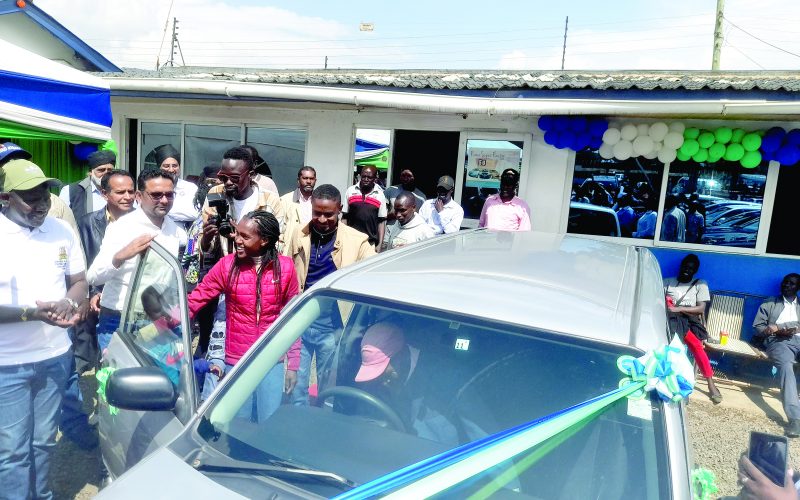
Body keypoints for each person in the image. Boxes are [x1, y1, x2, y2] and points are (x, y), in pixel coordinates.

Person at [0, 159, 88, 499]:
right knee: (12, 453)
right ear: (6, 198)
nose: (41, 204)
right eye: (31, 198)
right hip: (7, 364)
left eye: (45, 195)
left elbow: (79, 282)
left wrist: (70, 303)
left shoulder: (61, 230)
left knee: (42, 443)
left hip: (55, 357)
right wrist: (32, 314)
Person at [188, 211, 300, 421]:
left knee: (270, 421)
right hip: (236, 361)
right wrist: (164, 322)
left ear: (264, 240)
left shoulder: (285, 268)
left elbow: (293, 318)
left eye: (245, 236)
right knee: (238, 422)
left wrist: (293, 364)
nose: (236, 240)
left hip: (271, 360)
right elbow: (197, 299)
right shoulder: (227, 266)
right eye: (236, 233)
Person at [287, 184, 375, 405]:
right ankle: (298, 423)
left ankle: (323, 424)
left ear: (340, 210)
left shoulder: (358, 241)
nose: (323, 219)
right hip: (302, 321)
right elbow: (287, 268)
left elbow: (375, 272)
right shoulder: (299, 234)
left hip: (334, 326)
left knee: (329, 386)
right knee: (297, 383)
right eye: (318, 213)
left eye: (329, 214)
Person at [87, 169, 186, 352]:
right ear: (139, 196)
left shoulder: (177, 232)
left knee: (161, 378)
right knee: (119, 378)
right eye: (156, 195)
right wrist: (121, 256)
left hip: (159, 321)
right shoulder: (122, 228)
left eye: (169, 195)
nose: (164, 200)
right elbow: (93, 276)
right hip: (119, 319)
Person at [355, 322, 458, 445]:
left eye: (382, 372)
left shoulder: (435, 377)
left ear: (400, 356)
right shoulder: (371, 379)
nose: (379, 380)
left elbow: (446, 433)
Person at [200, 146, 284, 257]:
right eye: (223, 177)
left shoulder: (270, 201)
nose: (228, 182)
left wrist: (243, 240)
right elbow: (205, 250)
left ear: (250, 174)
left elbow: (278, 245)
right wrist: (206, 238)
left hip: (257, 268)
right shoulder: (215, 193)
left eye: (234, 177)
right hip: (225, 268)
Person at [664, 254, 722, 404]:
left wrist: (679, 309)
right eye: (685, 266)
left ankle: (710, 383)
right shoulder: (668, 282)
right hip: (670, 321)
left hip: (689, 321)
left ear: (695, 271)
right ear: (680, 266)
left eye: (691, 268)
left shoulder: (700, 284)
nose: (687, 270)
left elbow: (701, 308)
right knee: (675, 348)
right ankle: (680, 383)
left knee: (697, 346)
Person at [753, 273, 800, 437]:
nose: (786, 285)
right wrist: (769, 331)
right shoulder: (770, 302)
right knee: (787, 367)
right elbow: (758, 326)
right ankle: (795, 419)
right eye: (785, 282)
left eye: (791, 284)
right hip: (779, 343)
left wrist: (781, 326)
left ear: (798, 288)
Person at [59, 149, 116, 220]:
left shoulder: (123, 190)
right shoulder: (70, 191)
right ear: (90, 172)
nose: (106, 174)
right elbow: (61, 220)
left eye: (110, 170)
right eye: (101, 170)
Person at [342, 165, 388, 252]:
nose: (366, 179)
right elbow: (344, 217)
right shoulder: (350, 191)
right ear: (360, 176)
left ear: (375, 178)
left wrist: (379, 244)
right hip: (351, 241)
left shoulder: (380, 195)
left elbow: (381, 222)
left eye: (369, 177)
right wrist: (341, 238)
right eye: (364, 176)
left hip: (370, 243)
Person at [152, 144, 199, 226]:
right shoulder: (152, 186)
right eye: (166, 166)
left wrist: (165, 213)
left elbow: (195, 214)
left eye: (174, 166)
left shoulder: (190, 187)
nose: (171, 170)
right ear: (159, 168)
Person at [280, 166, 316, 257]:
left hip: (313, 246)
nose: (308, 181)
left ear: (315, 180)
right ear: (298, 180)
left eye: (311, 178)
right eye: (305, 178)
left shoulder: (319, 200)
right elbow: (279, 229)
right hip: (291, 248)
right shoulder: (285, 200)